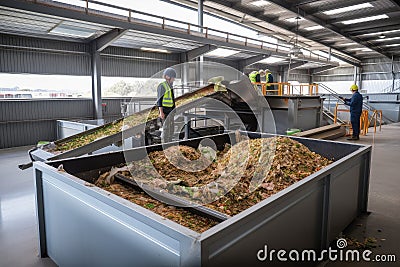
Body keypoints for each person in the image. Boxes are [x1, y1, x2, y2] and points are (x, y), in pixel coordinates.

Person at [157, 67, 176, 141]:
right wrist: (161, 112)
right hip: (164, 110)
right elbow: (159, 100)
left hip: (171, 110)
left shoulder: (170, 86)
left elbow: (172, 99)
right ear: (167, 77)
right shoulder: (162, 86)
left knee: (172, 128)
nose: (174, 79)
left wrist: (174, 110)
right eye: (173, 77)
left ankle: (170, 142)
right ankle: (164, 144)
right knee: (166, 128)